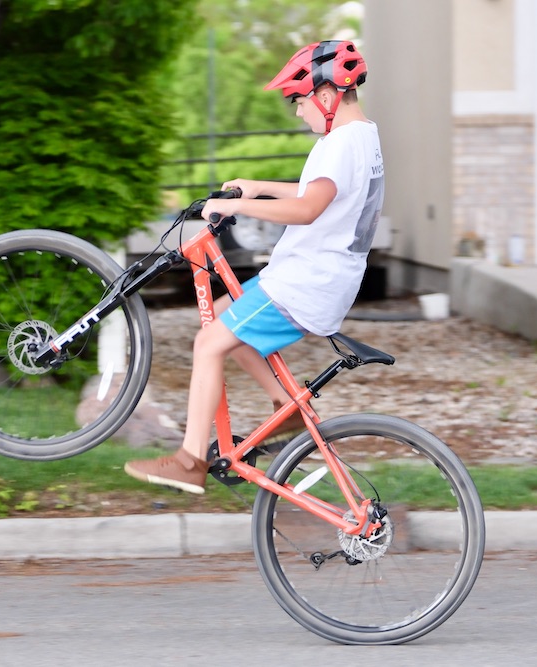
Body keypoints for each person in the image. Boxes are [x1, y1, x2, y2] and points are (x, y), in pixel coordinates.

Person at [124, 40, 385, 494]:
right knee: (227, 311)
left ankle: (188, 461)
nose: (298, 112)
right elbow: (319, 191)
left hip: (304, 283)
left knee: (207, 343)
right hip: (316, 278)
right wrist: (254, 186)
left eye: (298, 101)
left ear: (326, 96)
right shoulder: (360, 137)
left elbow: (308, 209)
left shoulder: (339, 143)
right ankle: (285, 405)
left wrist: (243, 204)